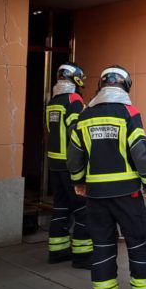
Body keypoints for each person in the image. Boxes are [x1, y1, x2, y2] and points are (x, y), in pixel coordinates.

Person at [67, 65, 146, 289]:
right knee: (138, 239)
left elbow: (74, 155)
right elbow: (140, 151)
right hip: (127, 194)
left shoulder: (84, 115)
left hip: (96, 195)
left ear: (101, 86)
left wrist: (79, 182)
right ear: (126, 86)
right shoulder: (129, 113)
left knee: (101, 243)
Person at [45, 62, 92, 268]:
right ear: (76, 79)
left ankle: (57, 250)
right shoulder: (74, 100)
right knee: (83, 209)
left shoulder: (52, 101)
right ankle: (82, 256)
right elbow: (77, 132)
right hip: (70, 164)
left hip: (54, 163)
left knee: (61, 207)